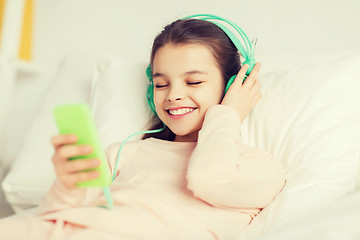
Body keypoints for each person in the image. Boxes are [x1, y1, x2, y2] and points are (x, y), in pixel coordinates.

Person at [0, 17, 286, 240]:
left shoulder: (260, 167)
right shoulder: (125, 152)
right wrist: (68, 183)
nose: (172, 95)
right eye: (161, 84)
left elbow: (208, 179)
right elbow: (52, 218)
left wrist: (227, 114)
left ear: (233, 86)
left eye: (194, 82)